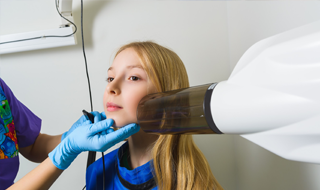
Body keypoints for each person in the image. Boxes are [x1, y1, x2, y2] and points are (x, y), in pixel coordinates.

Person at [8, 41, 223, 190]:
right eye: (110, 78)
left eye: (133, 77)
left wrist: (66, 140)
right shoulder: (98, 173)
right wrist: (68, 146)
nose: (112, 87)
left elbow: (33, 144)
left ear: (168, 97)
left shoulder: (191, 180)